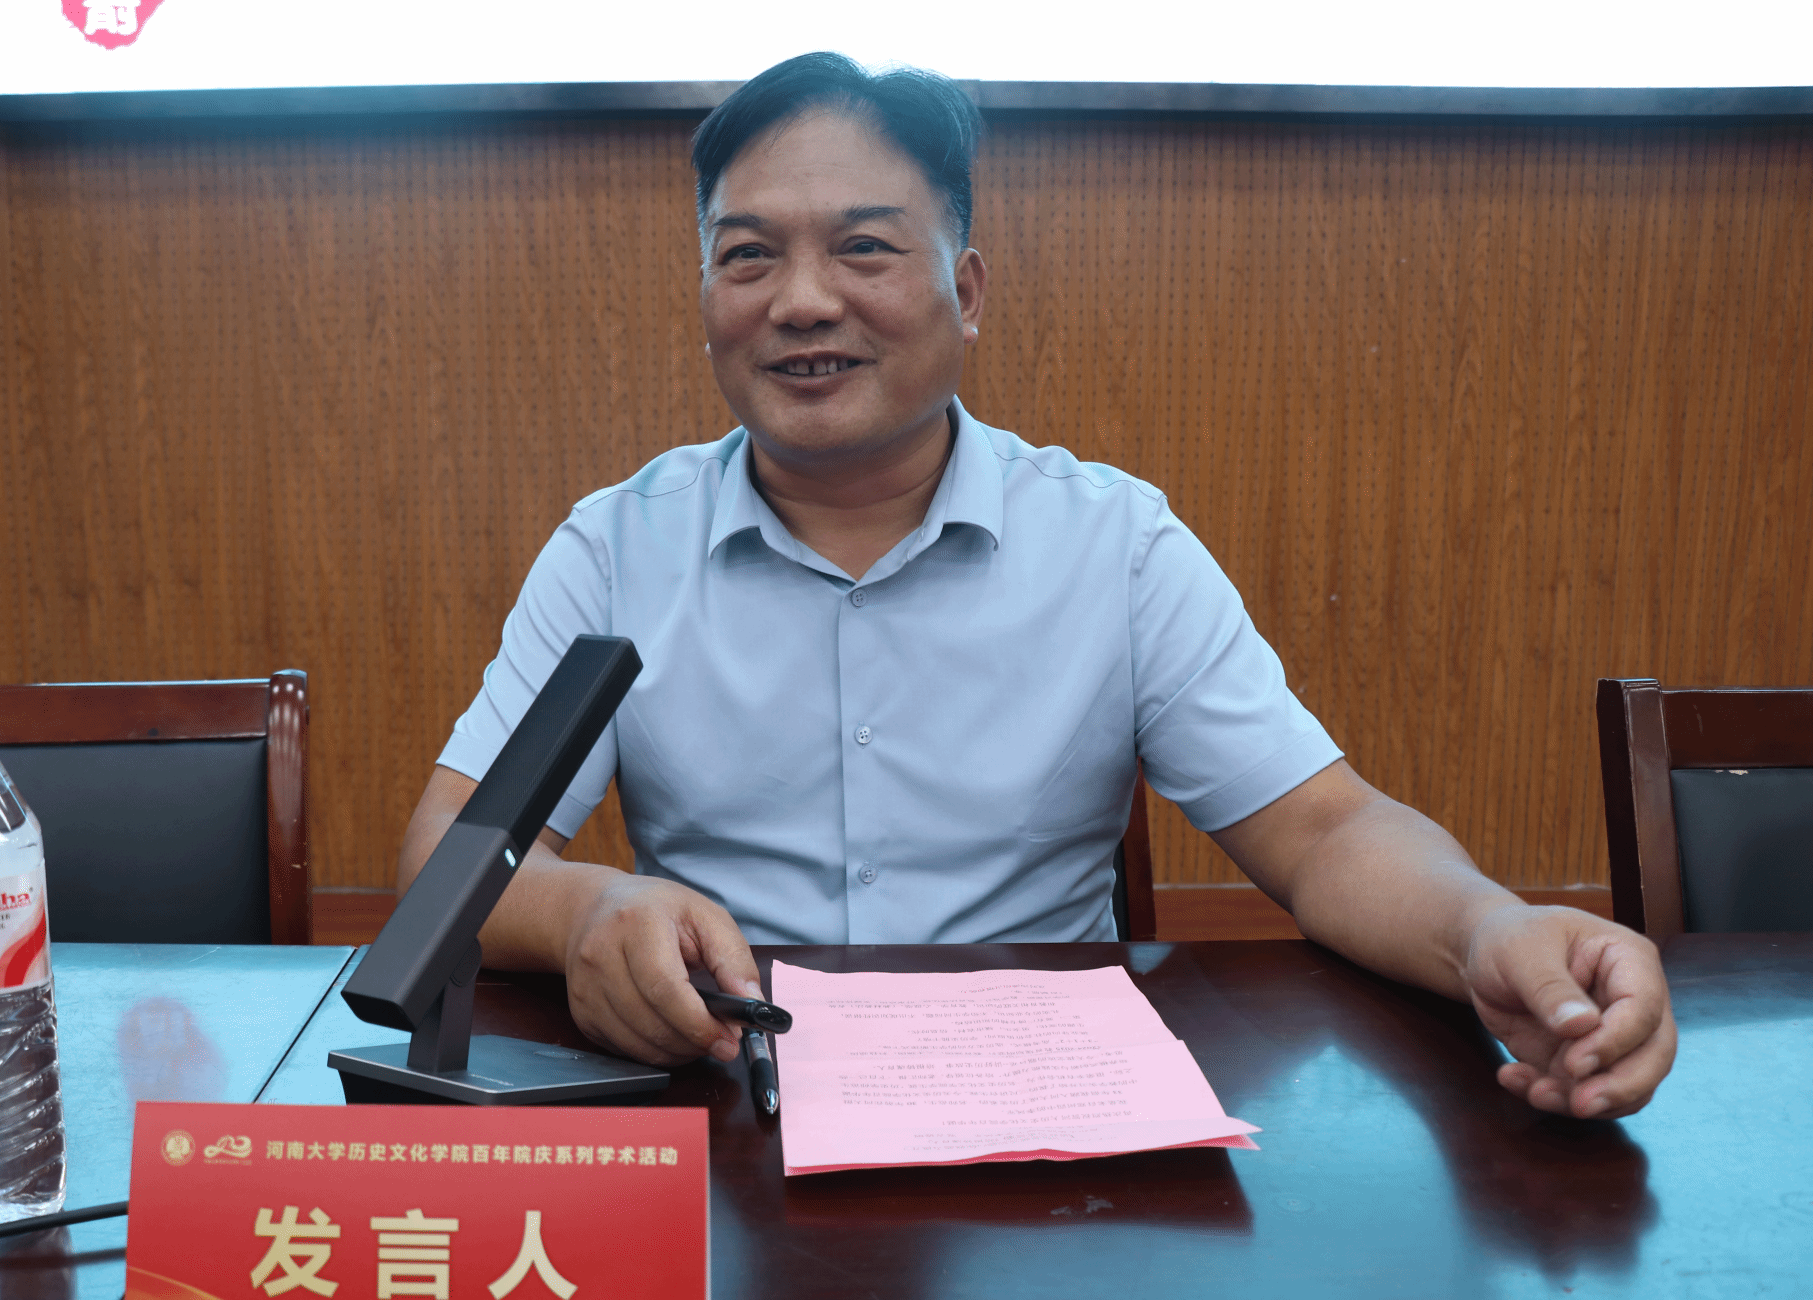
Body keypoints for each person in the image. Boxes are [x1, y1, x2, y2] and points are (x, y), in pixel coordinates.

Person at [397, 52, 1676, 1120]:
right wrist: (588, 911)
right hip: (730, 1097)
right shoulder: (617, 547)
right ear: (704, 300)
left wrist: (1485, 929)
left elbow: (1325, 834)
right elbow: (448, 864)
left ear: (963, 293)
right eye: (746, 257)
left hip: (1041, 1116)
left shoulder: (1111, 545)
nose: (801, 301)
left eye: (862, 248)